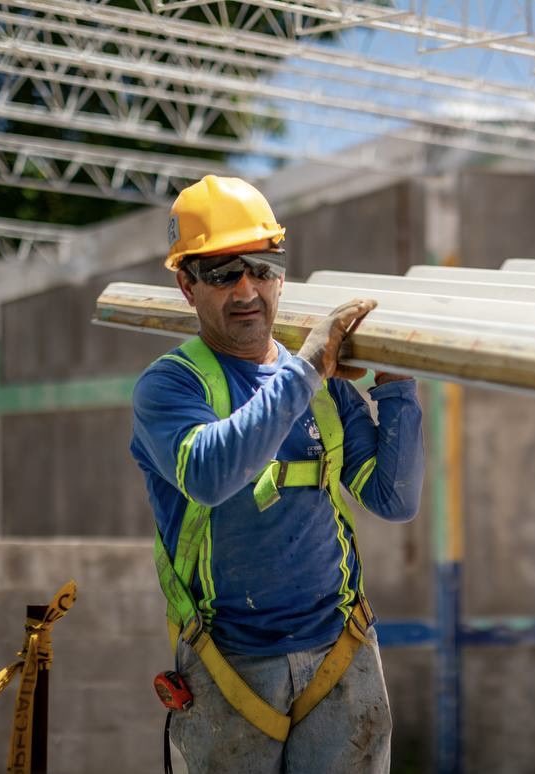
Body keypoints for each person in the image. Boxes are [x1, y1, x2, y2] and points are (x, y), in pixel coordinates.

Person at [130, 174, 425, 773]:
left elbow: (393, 498)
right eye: (221, 272)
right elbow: (211, 474)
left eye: (262, 268)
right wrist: (309, 366)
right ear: (187, 285)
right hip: (229, 661)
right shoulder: (171, 386)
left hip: (339, 651)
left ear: (281, 275)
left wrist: (399, 387)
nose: (246, 289)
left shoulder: (319, 388)